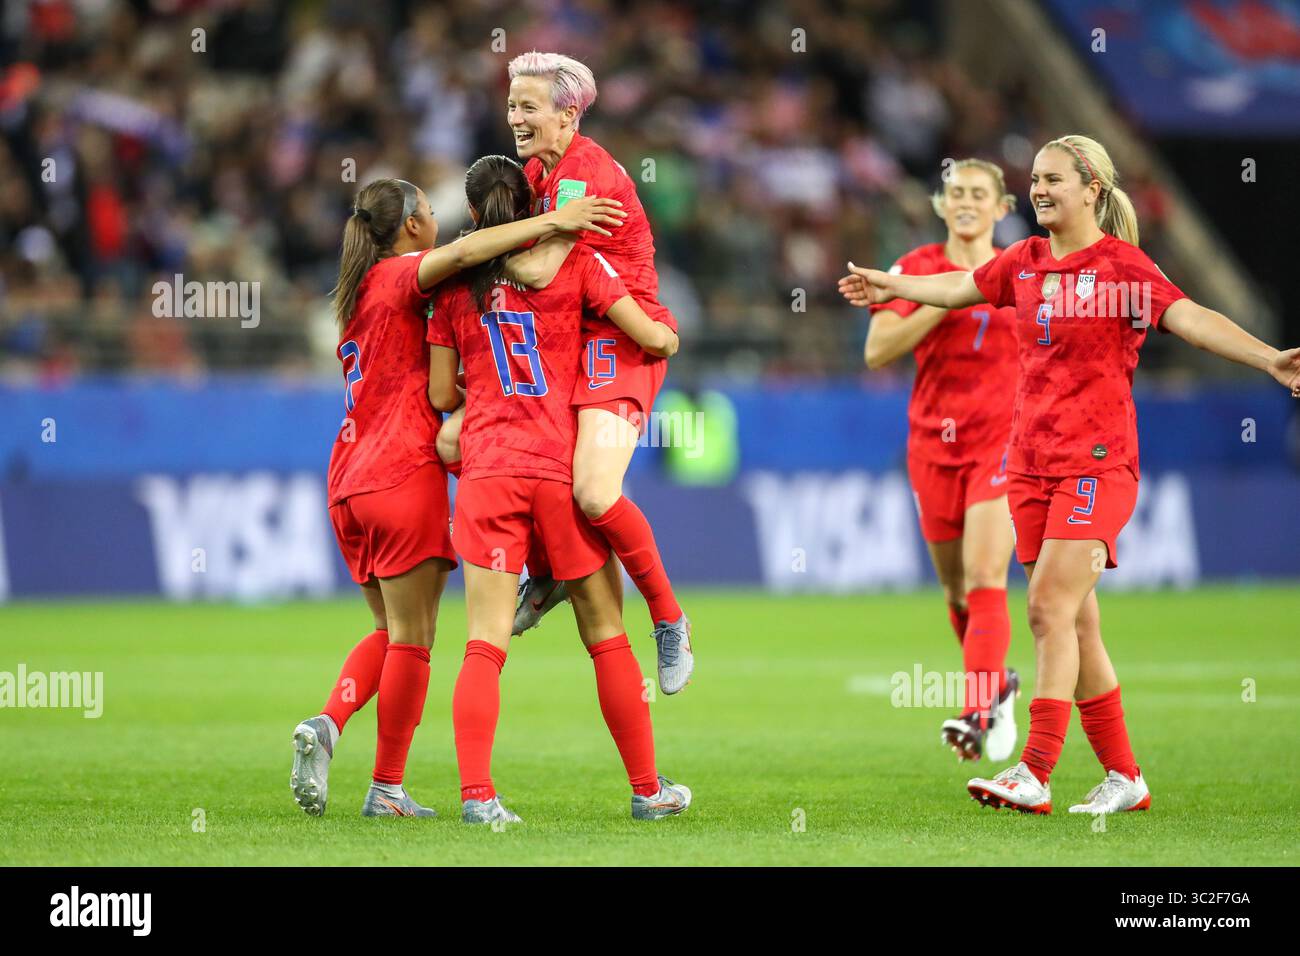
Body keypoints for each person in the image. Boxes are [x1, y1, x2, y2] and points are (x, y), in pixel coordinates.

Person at [840, 134, 1300, 814]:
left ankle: (1035, 768)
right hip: (1028, 469)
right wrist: (893, 283)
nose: (1040, 189)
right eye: (1036, 180)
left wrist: (1268, 360)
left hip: (1097, 467)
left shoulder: (1121, 268)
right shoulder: (1022, 262)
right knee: (1079, 628)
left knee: (1047, 608)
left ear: (1093, 189)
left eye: (1054, 179)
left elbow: (1192, 317)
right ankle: (1126, 777)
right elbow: (960, 287)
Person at [290, 176, 626, 817]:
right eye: (429, 212)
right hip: (401, 474)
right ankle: (385, 785)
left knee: (389, 632)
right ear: (413, 225)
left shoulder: (356, 294)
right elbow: (471, 255)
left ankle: (331, 723)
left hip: (346, 480)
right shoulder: (399, 275)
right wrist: (558, 222)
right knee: (415, 640)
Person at [426, 155, 688, 823]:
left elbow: (437, 394)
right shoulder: (576, 264)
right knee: (605, 635)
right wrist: (661, 338)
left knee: (485, 642)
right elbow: (652, 336)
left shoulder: (453, 287)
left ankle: (478, 798)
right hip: (557, 472)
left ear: (476, 215)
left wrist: (479, 392)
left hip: (487, 472)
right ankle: (647, 790)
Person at [441, 50, 693, 694]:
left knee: (593, 493)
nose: (515, 116)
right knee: (458, 442)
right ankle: (551, 569)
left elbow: (541, 270)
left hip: (619, 339)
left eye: (528, 106)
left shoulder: (581, 172)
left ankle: (668, 617)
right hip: (563, 345)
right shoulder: (536, 173)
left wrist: (478, 254)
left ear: (568, 114)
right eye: (511, 104)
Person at [864, 159, 1021, 763]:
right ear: (940, 203)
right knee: (957, 591)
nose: (966, 202)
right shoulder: (916, 268)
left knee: (986, 577)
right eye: (955, 192)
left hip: (1000, 443)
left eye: (979, 194)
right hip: (933, 444)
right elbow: (879, 350)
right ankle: (997, 684)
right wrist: (955, 292)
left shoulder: (1022, 268)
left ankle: (978, 709)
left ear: (1001, 208)